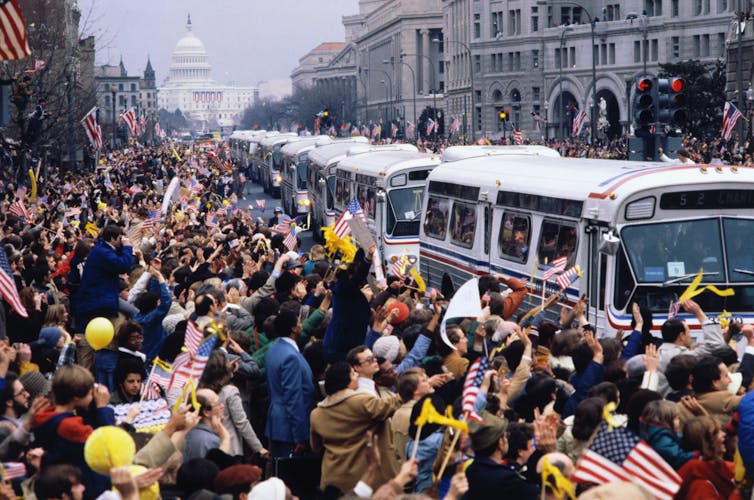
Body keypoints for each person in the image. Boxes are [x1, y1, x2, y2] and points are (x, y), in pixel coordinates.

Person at [310, 361, 405, 494]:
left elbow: (316, 447)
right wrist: (410, 388)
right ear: (346, 381)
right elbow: (388, 406)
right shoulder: (361, 402)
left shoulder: (316, 414)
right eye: (354, 374)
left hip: (333, 479)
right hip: (364, 479)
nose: (357, 376)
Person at [32, 365, 114, 496]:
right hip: (83, 485)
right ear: (76, 397)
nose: (92, 395)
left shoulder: (45, 416)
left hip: (56, 480)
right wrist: (102, 408)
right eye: (89, 392)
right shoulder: (71, 426)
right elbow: (107, 444)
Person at [75, 225, 134, 390]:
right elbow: (123, 265)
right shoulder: (102, 251)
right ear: (114, 238)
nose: (122, 241)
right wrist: (128, 247)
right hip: (98, 303)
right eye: (121, 238)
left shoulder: (101, 249)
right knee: (99, 347)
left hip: (100, 300)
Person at [264, 309, 314, 459]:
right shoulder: (290, 356)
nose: (301, 324)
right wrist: (300, 435)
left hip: (277, 421)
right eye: (299, 321)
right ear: (293, 328)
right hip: (289, 426)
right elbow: (293, 397)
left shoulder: (273, 349)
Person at [464, 412, 539, 499]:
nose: (507, 440)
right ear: (500, 442)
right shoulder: (507, 479)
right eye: (505, 436)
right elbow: (536, 493)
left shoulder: (471, 470)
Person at [183, 388, 231, 461]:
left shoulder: (185, 435)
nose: (222, 406)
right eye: (218, 403)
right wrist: (225, 438)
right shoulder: (211, 441)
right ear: (206, 412)